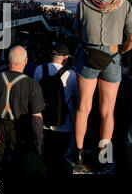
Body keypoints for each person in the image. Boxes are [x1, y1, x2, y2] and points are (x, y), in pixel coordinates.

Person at [72, 0, 132, 165]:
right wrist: (120, 51)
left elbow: (77, 32)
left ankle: (78, 152)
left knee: (83, 108)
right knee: (107, 111)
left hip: (89, 55)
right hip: (112, 56)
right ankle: (104, 155)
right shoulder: (124, 3)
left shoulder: (84, 3)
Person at [0, 46, 45, 173]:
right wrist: (39, 143)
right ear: (25, 62)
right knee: (18, 166)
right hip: (20, 132)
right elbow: (36, 118)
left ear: (8, 60)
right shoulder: (32, 85)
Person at [33, 44, 78, 175]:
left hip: (42, 120)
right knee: (59, 157)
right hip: (63, 123)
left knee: (45, 156)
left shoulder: (39, 70)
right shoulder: (72, 75)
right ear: (65, 58)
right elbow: (76, 98)